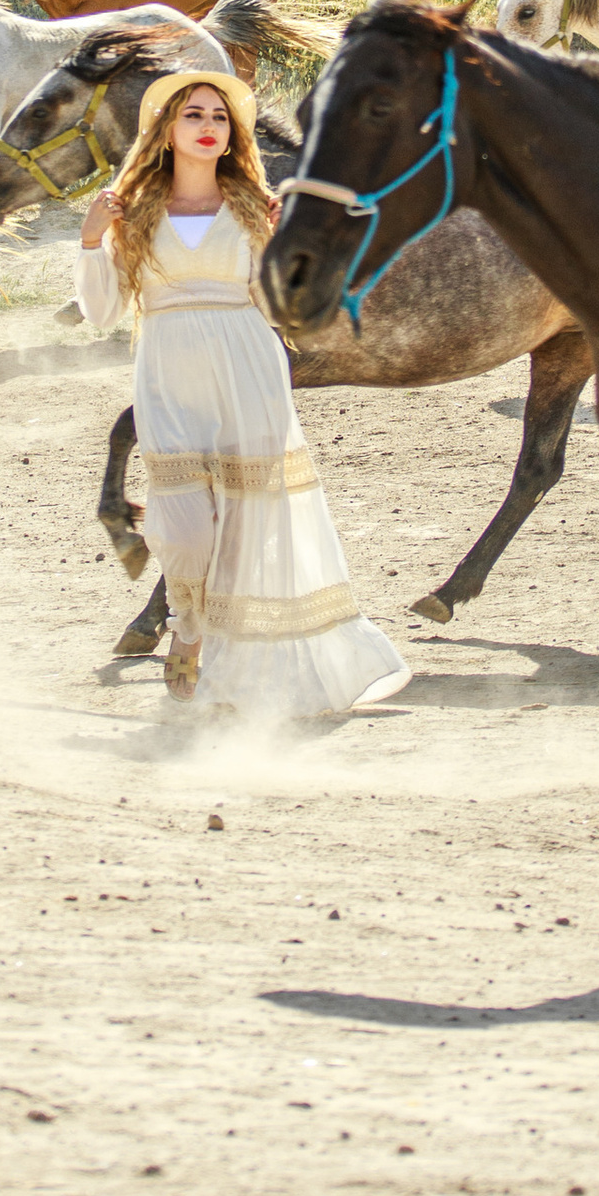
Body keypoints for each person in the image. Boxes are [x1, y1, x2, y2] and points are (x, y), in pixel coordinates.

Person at [75, 71, 408, 714]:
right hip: (169, 373)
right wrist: (92, 239)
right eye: (194, 114)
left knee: (249, 526)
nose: (208, 125)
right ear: (167, 131)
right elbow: (102, 310)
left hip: (249, 368)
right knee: (184, 526)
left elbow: (284, 308)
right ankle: (188, 626)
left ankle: (223, 666)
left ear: (232, 137)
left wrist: (289, 247)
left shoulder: (257, 208)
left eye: (220, 118)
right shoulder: (133, 212)